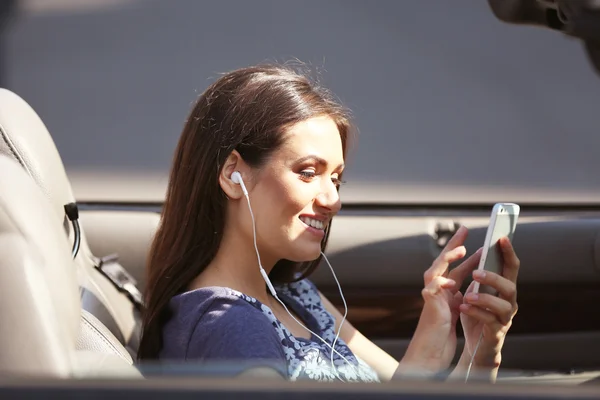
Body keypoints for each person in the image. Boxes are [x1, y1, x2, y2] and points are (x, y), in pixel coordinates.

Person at [138, 64, 520, 383]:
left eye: (336, 179)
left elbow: (405, 387)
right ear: (232, 173)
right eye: (307, 173)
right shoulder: (233, 329)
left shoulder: (293, 293)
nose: (332, 200)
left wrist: (479, 349)